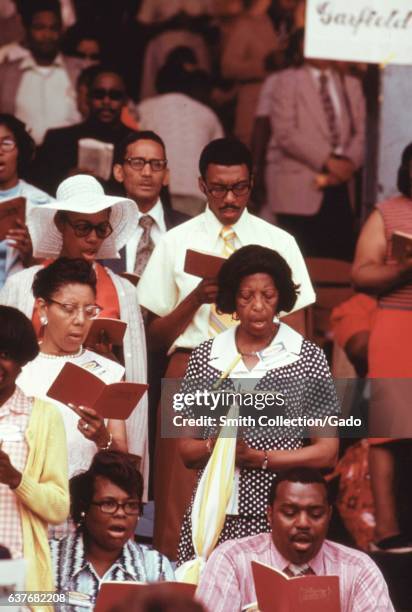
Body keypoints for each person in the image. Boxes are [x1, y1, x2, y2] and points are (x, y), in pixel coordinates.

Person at [137, 137, 315, 559]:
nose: (229, 198)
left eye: (239, 187)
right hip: (191, 364)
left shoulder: (279, 240)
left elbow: (300, 326)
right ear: (201, 185)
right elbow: (153, 338)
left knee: (259, 486)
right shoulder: (176, 241)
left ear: (252, 184)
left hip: (266, 368)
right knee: (181, 498)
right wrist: (196, 298)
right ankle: (178, 593)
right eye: (218, 188)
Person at [177, 245, 339, 563]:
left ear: (281, 298)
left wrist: (259, 458)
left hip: (277, 519)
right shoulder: (205, 356)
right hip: (213, 517)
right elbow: (185, 449)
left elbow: (327, 452)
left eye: (268, 295)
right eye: (246, 296)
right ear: (231, 300)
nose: (258, 306)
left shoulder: (306, 357)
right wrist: (218, 444)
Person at [0, 174, 149, 498]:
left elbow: (134, 371)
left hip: (100, 397)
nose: (92, 238)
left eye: (100, 228)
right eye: (83, 227)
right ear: (61, 224)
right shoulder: (22, 284)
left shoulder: (121, 290)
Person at [197, 468, 395, 612]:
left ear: (329, 515)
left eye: (316, 514)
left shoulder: (359, 568)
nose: (303, 523)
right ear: (270, 514)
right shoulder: (232, 559)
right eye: (290, 513)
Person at [352, 142, 412, 552]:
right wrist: (408, 267)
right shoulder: (387, 212)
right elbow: (361, 273)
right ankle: (389, 533)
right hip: (397, 325)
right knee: (388, 434)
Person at [17, 258, 127, 480]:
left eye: (89, 310)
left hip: (85, 501)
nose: (80, 320)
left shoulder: (109, 371)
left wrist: (102, 438)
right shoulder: (17, 367)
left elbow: (123, 459)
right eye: (68, 309)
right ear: (42, 309)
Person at [268, 56, 365, 261]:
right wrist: (328, 161)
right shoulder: (287, 80)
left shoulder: (350, 83)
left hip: (342, 187)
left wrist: (349, 164)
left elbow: (363, 131)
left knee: (338, 263)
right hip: (301, 191)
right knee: (300, 265)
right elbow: (285, 132)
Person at [0, 305, 69, 591]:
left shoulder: (43, 417)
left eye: (4, 355)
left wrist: (16, 479)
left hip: (15, 572)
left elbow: (59, 507)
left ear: (21, 362)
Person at [50, 451, 174, 608]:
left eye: (131, 505)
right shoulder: (49, 558)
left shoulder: (156, 567)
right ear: (84, 508)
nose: (121, 513)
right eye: (108, 504)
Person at [137, 60, 223, 217]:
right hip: (197, 192)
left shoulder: (145, 108)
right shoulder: (207, 113)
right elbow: (220, 160)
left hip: (157, 189)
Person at [33, 64, 136, 195]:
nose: (106, 101)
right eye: (99, 94)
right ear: (87, 98)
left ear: (125, 100)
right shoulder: (57, 140)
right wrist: (65, 181)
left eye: (114, 95)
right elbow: (36, 191)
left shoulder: (136, 143)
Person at [0, 0, 83, 145]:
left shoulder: (79, 71)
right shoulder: (6, 74)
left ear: (61, 31)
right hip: (23, 161)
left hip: (68, 160)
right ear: (27, 30)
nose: (47, 35)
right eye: (39, 27)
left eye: (54, 28)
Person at [0, 113, 53, 287]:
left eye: (6, 143)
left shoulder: (45, 204)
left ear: (20, 150)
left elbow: (56, 272)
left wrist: (31, 255)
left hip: (17, 303)